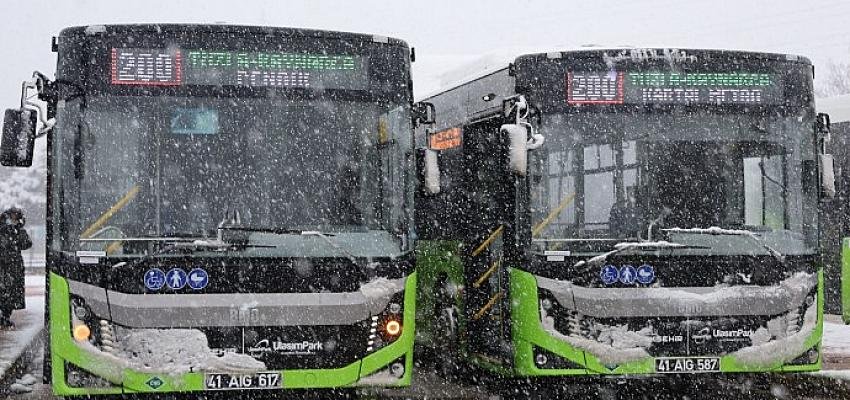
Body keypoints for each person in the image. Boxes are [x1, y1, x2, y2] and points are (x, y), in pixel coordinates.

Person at [0, 207, 32, 329]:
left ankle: (5, 317)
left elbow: (27, 244)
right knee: (4, 292)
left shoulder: (18, 230)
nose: (14, 219)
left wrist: (19, 229)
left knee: (12, 293)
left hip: (14, 267)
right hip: (5, 266)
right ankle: (3, 317)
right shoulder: (3, 229)